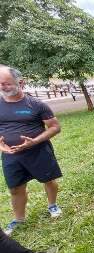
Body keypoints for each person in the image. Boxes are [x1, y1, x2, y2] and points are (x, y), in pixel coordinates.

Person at [0, 66, 63, 235]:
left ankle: (52, 205)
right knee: (15, 188)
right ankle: (19, 219)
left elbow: (55, 127)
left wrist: (34, 141)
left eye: (6, 83)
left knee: (48, 180)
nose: (2, 87)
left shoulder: (36, 104)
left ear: (21, 82)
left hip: (38, 151)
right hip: (11, 155)